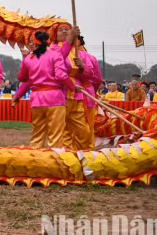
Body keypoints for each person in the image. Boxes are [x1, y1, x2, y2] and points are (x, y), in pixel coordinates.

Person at [12, 32, 75, 148]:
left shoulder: (29, 59)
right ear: (48, 42)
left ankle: (34, 160)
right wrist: (73, 87)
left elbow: (22, 78)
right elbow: (61, 75)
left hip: (36, 99)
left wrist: (25, 60)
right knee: (55, 135)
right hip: (55, 98)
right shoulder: (55, 55)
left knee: (37, 134)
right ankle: (55, 160)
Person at [51, 23, 92, 151]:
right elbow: (57, 62)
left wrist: (82, 67)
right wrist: (70, 38)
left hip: (77, 95)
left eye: (67, 30)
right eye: (61, 30)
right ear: (55, 35)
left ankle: (84, 156)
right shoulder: (52, 50)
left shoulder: (80, 52)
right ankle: (66, 158)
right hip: (60, 94)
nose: (64, 32)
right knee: (63, 131)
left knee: (84, 132)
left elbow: (90, 74)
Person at [63, 32, 103, 149]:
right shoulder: (90, 56)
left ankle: (73, 151)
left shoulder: (78, 55)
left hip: (77, 92)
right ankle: (87, 149)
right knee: (87, 126)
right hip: (88, 93)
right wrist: (93, 91)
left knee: (70, 127)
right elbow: (98, 80)